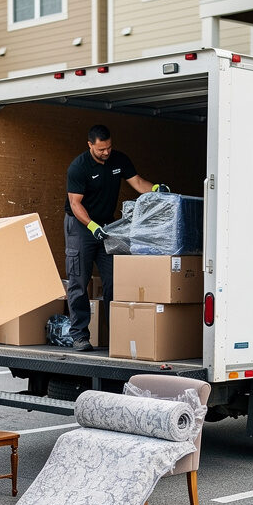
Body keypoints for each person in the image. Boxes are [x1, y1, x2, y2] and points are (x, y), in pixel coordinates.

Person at [64, 124, 170, 351]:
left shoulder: (119, 160)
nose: (106, 152)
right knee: (79, 282)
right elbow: (75, 203)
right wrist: (92, 226)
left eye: (109, 148)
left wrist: (157, 189)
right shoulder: (79, 167)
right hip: (81, 226)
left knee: (115, 281)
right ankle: (80, 336)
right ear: (90, 144)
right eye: (101, 149)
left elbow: (139, 183)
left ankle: (117, 334)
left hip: (107, 227)